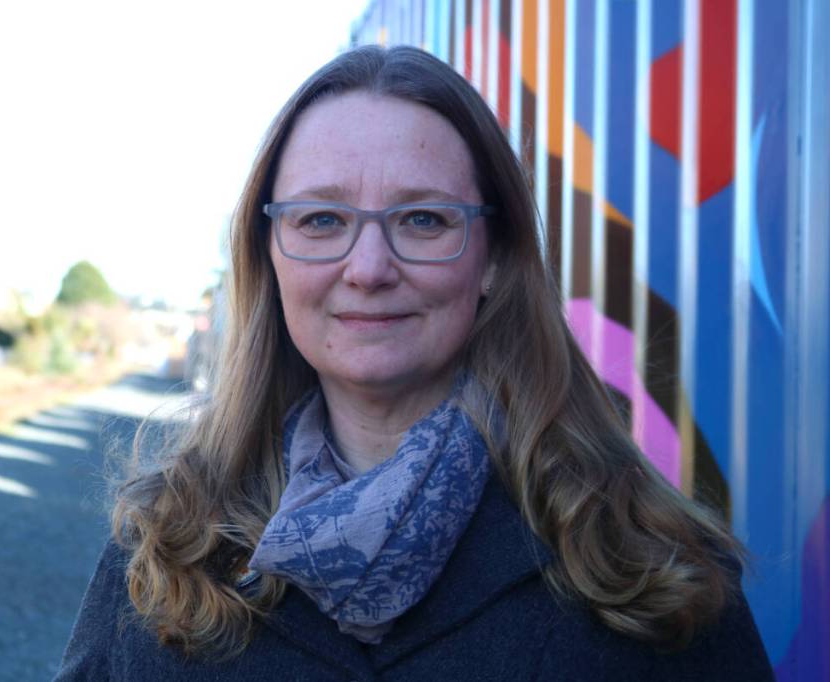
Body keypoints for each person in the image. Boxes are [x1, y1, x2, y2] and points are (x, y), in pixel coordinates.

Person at [55, 45, 774, 681]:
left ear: (493, 256)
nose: (367, 268)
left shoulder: (647, 564)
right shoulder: (165, 548)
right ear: (268, 255)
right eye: (321, 219)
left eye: (424, 219)